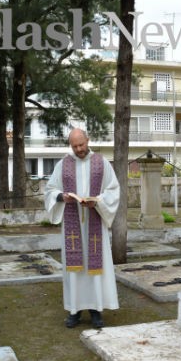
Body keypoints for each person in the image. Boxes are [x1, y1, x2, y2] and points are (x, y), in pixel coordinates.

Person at [44, 128, 120, 328]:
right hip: (73, 226)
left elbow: (113, 190)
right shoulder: (63, 164)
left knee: (96, 268)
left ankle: (96, 311)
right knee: (75, 270)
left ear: (88, 140)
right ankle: (74, 311)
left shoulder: (101, 163)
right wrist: (62, 197)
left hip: (95, 223)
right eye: (75, 146)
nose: (79, 149)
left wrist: (98, 201)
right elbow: (50, 190)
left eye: (81, 144)